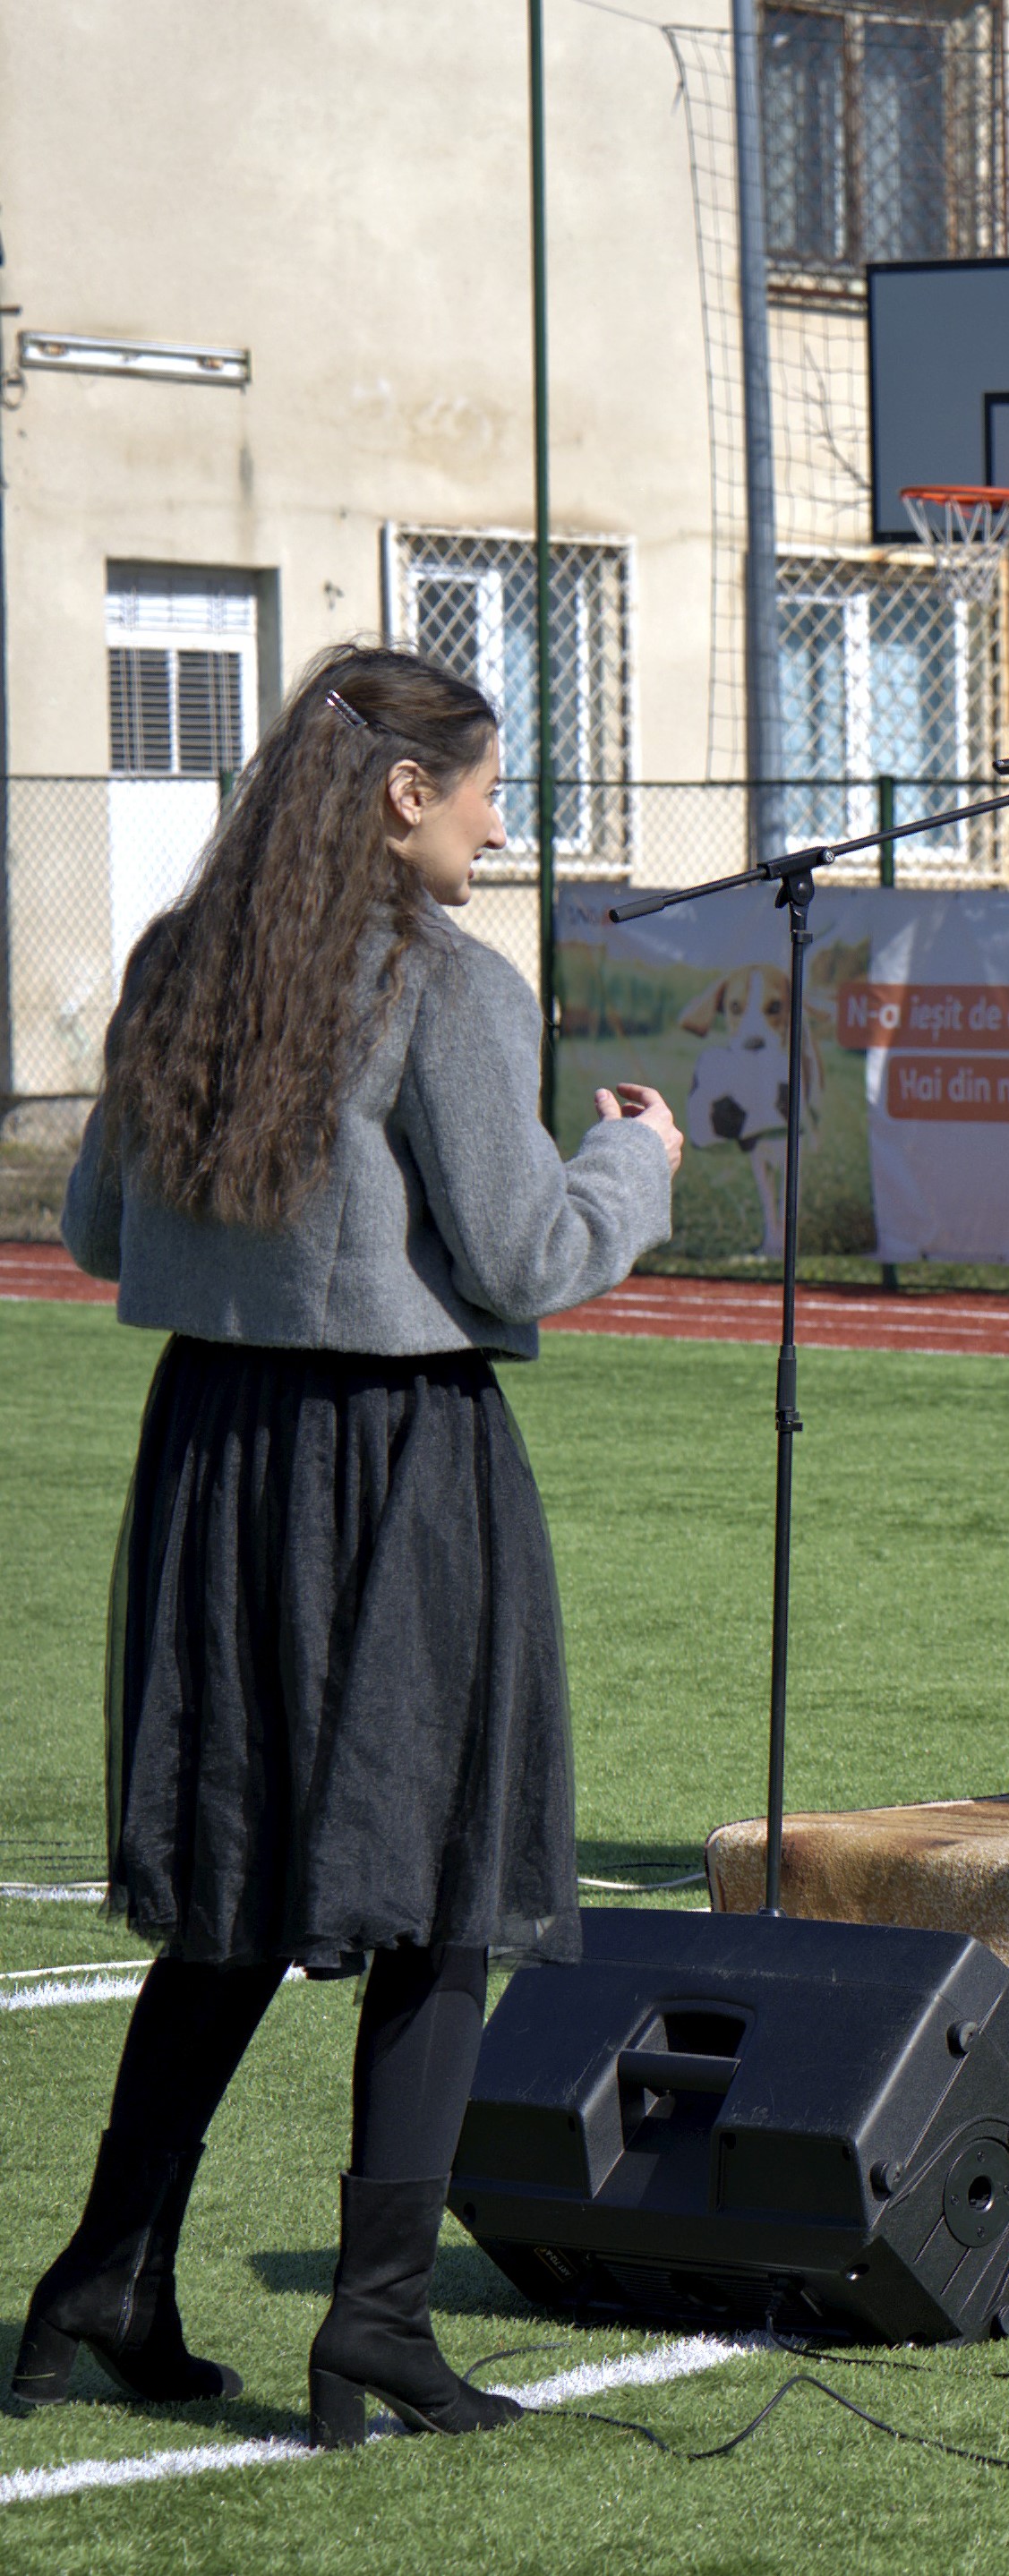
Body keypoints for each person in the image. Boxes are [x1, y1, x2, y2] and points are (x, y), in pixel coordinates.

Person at [25, 651, 681, 2443]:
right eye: (483, 786)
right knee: (442, 1886)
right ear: (405, 795)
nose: (496, 822)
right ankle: (375, 2319)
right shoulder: (453, 986)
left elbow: (98, 1230)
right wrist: (635, 1167)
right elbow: (526, 1253)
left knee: (237, 1878)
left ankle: (108, 2273)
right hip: (394, 1463)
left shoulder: (185, 962)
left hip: (213, 1456)